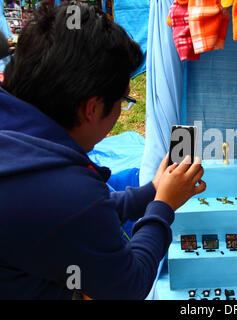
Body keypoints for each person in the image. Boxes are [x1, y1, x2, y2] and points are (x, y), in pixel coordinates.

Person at [0, 2, 205, 299]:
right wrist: (163, 206)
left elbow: (76, 215)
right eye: (124, 100)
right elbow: (128, 284)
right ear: (92, 109)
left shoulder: (26, 152)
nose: (123, 109)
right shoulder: (66, 192)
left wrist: (153, 191)